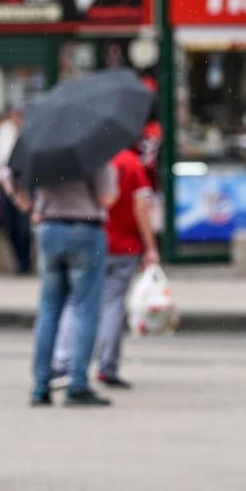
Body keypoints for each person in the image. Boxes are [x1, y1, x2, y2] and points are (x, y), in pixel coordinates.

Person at [53, 142, 160, 388]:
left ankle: (63, 360)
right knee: (113, 304)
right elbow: (141, 206)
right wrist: (150, 246)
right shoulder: (130, 163)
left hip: (90, 239)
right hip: (124, 246)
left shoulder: (86, 160)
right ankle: (107, 365)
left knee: (75, 301)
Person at [27, 162, 119, 407]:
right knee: (85, 309)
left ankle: (41, 386)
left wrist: (30, 205)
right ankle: (77, 384)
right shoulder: (91, 152)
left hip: (48, 226)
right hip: (85, 228)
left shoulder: (40, 150)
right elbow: (106, 197)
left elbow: (9, 177)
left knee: (48, 311)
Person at [0, 108, 32, 274]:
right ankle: (19, 259)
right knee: (9, 223)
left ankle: (25, 261)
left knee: (23, 223)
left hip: (22, 180)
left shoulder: (28, 130)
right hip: (5, 183)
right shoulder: (3, 132)